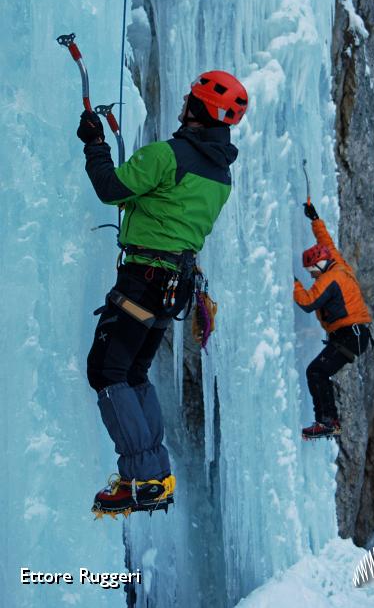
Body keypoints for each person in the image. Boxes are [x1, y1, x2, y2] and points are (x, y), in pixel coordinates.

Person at [77, 71, 248, 515]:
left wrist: (94, 143)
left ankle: (142, 479)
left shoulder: (166, 156)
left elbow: (110, 189)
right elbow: (163, 205)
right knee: (132, 372)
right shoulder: (220, 175)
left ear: (198, 111)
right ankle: (155, 475)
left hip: (144, 278)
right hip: (173, 288)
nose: (181, 105)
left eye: (189, 100)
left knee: (108, 371)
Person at [293, 202, 373, 440]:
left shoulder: (330, 278)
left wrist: (292, 282)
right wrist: (314, 218)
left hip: (351, 335)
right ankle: (329, 420)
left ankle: (327, 421)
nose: (311, 276)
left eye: (311, 271)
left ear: (320, 265)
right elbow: (326, 242)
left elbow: (307, 302)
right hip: (353, 336)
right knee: (319, 372)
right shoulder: (336, 263)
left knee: (316, 371)